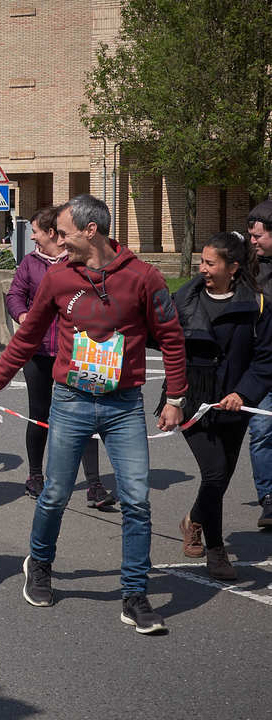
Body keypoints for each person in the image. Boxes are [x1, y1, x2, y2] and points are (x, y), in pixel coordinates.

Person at [0, 194, 187, 634]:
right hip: (70, 401)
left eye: (65, 234)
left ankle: (134, 595)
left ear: (92, 231)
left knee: (137, 500)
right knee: (54, 493)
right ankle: (40, 564)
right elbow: (27, 337)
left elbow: (171, 337)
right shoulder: (58, 277)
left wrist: (176, 398)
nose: (59, 241)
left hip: (124, 406)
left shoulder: (144, 277)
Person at [173, 231, 272, 579]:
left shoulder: (258, 305)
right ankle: (216, 550)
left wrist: (243, 394)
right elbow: (162, 340)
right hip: (193, 400)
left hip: (234, 405)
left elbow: (265, 359)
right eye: (201, 261)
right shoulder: (183, 299)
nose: (202, 268)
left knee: (221, 477)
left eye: (210, 263)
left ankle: (192, 519)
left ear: (233, 268)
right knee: (214, 472)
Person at [5, 206, 110, 506]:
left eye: (36, 231)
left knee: (85, 415)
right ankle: (35, 475)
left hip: (75, 351)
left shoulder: (77, 262)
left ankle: (94, 484)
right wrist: (22, 314)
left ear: (52, 233)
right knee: (38, 414)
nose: (32, 236)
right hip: (38, 352)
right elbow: (14, 295)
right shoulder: (30, 263)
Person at [244, 199, 272, 528]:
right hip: (260, 368)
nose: (252, 241)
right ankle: (268, 498)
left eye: (258, 235)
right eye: (250, 235)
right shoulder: (248, 270)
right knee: (262, 431)